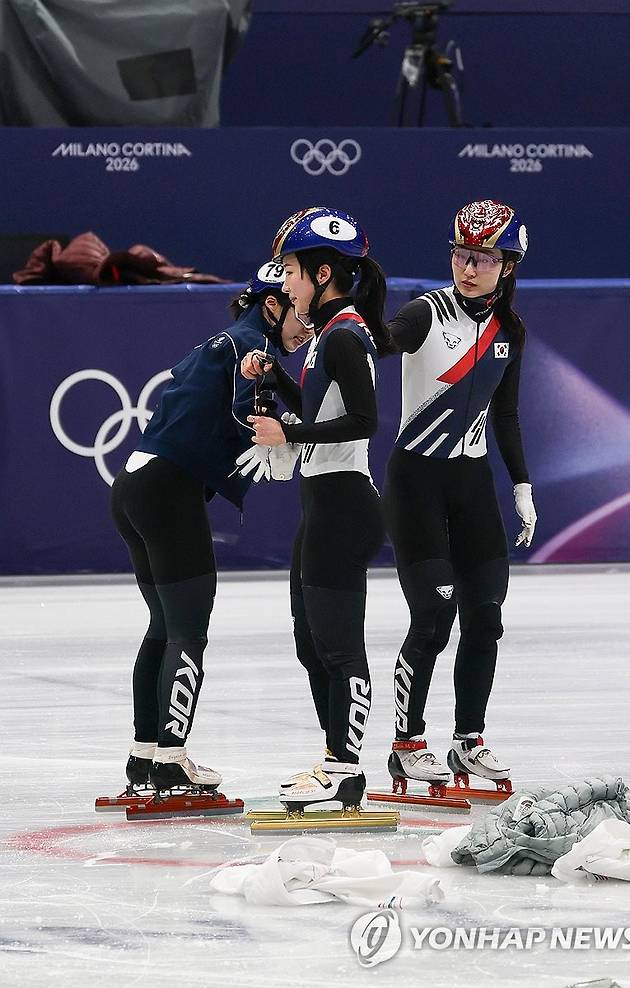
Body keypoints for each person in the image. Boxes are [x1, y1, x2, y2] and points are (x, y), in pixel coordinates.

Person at [109, 262, 313, 799]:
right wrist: (280, 435)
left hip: (133, 484)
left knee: (163, 626)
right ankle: (173, 762)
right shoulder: (255, 349)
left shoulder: (226, 339)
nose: (307, 323)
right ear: (273, 304)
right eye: (299, 308)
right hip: (169, 493)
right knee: (188, 631)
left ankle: (145, 756)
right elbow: (253, 403)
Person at [242, 206, 395, 812]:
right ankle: (333, 757)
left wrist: (291, 435)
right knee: (310, 642)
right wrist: (275, 377)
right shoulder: (325, 337)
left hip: (345, 505)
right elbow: (320, 406)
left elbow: (362, 421)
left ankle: (347, 769)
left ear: (323, 272)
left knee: (338, 645)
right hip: (322, 504)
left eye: (291, 271)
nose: (284, 283)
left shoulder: (347, 334)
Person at [383, 199, 537, 793]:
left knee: (485, 618)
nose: (468, 268)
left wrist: (521, 485)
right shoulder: (426, 311)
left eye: (482, 258)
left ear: (507, 265)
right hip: (416, 483)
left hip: (472, 486)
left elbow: (507, 413)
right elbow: (385, 340)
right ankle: (406, 744)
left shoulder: (510, 332)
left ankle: (468, 741)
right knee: (433, 618)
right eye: (460, 255)